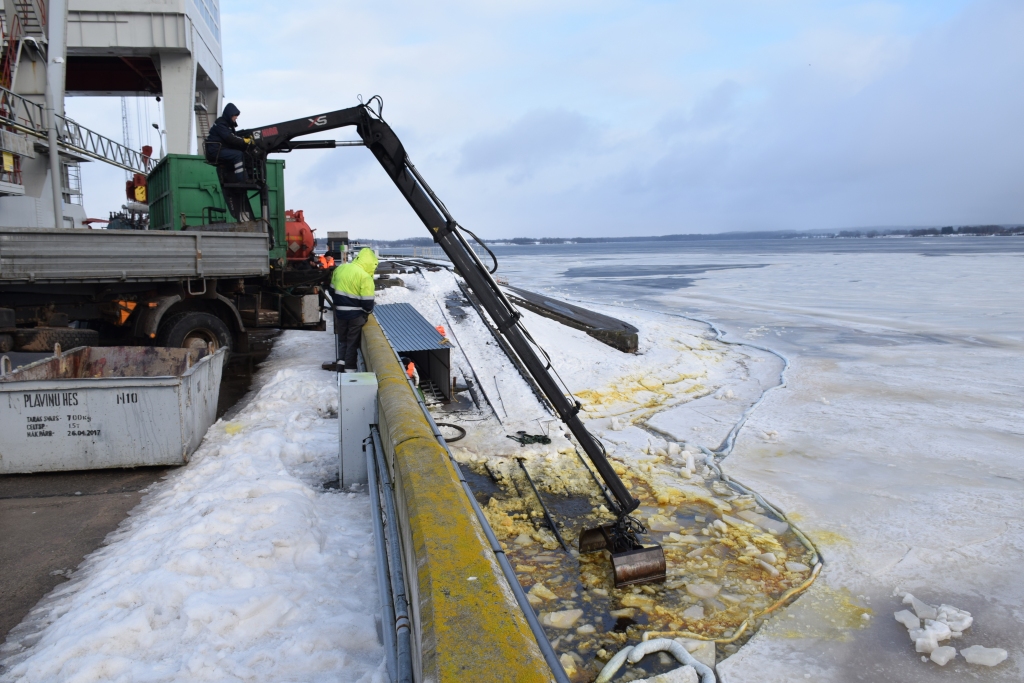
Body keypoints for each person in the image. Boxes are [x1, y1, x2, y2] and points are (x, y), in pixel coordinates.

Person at [330, 247, 378, 371]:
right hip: (355, 316)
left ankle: (340, 365)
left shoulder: (341, 268)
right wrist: (366, 313)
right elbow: (367, 303)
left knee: (343, 340)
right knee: (352, 342)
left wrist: (340, 304)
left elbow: (331, 290)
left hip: (340, 313)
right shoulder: (365, 277)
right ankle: (349, 369)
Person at [205, 103, 249, 182]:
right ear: (230, 114)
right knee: (238, 155)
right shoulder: (221, 123)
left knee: (242, 153)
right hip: (215, 150)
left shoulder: (226, 124)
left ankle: (238, 178)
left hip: (220, 148)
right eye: (235, 116)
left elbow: (233, 136)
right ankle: (241, 180)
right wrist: (243, 141)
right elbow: (229, 137)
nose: (236, 118)